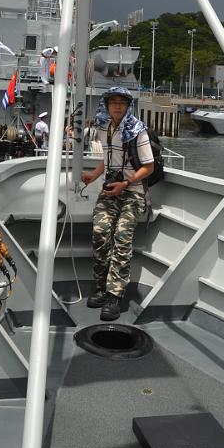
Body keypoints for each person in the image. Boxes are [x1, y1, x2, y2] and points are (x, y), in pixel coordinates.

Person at [81, 87, 154, 322]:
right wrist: (93, 176)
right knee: (100, 233)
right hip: (111, 190)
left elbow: (149, 167)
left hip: (132, 192)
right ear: (107, 104)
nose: (118, 106)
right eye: (113, 102)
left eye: (122, 102)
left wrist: (127, 183)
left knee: (122, 238)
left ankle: (115, 295)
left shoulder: (137, 131)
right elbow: (107, 158)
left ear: (128, 105)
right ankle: (101, 287)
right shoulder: (103, 128)